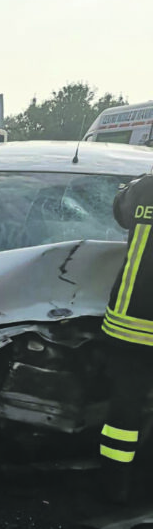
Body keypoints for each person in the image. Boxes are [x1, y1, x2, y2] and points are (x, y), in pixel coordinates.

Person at [99, 171, 153, 503]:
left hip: (128, 323)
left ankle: (113, 485)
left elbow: (119, 213)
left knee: (124, 408)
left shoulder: (144, 188)